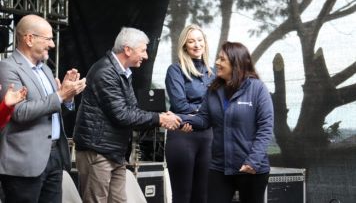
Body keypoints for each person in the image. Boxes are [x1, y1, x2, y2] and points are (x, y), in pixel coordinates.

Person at [73, 27, 181, 203]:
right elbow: (122, 115)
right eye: (143, 50)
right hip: (98, 152)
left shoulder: (121, 72)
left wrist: (160, 115)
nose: (146, 56)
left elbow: (131, 110)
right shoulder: (105, 72)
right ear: (128, 49)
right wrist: (160, 119)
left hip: (114, 152)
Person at [0, 14, 87, 203]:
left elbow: (51, 111)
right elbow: (19, 113)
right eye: (48, 39)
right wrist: (60, 95)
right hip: (24, 161)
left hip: (54, 156)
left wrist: (67, 98)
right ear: (29, 39)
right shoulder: (7, 68)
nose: (52, 45)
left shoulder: (46, 70)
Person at [180, 42, 274, 203]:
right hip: (219, 167)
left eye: (222, 59)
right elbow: (203, 119)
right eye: (218, 58)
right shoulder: (213, 90)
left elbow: (266, 128)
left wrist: (253, 161)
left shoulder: (257, 89)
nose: (217, 62)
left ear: (236, 63)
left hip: (252, 169)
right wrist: (180, 120)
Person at [164, 24, 214, 203]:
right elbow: (180, 104)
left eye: (200, 40)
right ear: (184, 45)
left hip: (208, 138)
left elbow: (217, 106)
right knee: (183, 197)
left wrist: (199, 114)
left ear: (205, 43)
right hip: (183, 136)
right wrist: (206, 112)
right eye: (191, 41)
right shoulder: (175, 70)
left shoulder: (212, 73)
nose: (196, 45)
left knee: (203, 197)